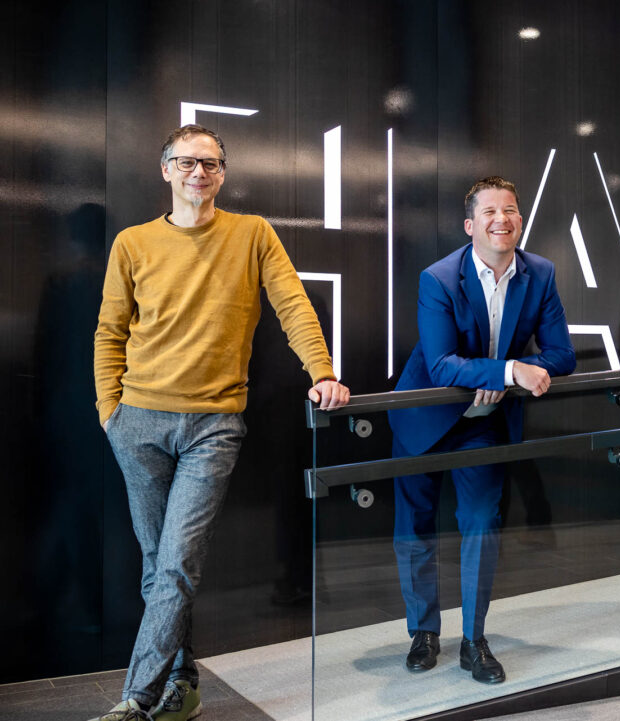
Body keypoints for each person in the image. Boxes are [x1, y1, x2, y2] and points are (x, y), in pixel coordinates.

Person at [92, 125, 349, 721]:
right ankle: (183, 686)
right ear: (166, 170)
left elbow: (292, 303)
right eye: (186, 162)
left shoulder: (252, 233)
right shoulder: (133, 243)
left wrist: (322, 370)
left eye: (210, 163)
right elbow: (109, 331)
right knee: (158, 568)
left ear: (223, 174)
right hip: (138, 422)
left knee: (177, 564)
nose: (198, 173)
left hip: (213, 426)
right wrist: (110, 412)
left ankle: (136, 700)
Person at [387, 176, 575, 684]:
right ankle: (423, 632)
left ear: (520, 220)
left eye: (509, 210)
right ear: (470, 226)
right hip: (425, 418)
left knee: (481, 523)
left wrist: (506, 375)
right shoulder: (439, 278)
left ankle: (474, 640)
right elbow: (442, 365)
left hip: (483, 422)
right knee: (416, 525)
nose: (501, 219)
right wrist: (508, 372)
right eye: (489, 212)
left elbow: (562, 354)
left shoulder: (540, 273)